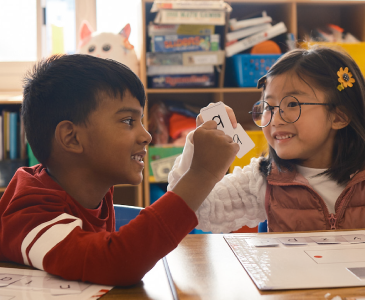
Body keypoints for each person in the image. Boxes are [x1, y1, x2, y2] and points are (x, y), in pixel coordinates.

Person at [0, 54, 239, 286]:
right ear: (71, 138)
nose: (147, 136)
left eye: (142, 121)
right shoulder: (28, 214)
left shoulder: (91, 189)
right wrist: (202, 174)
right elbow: (115, 263)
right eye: (128, 121)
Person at [168, 46, 365, 233]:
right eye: (267, 106)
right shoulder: (263, 180)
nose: (275, 118)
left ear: (339, 116)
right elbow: (199, 214)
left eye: (292, 104)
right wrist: (196, 149)